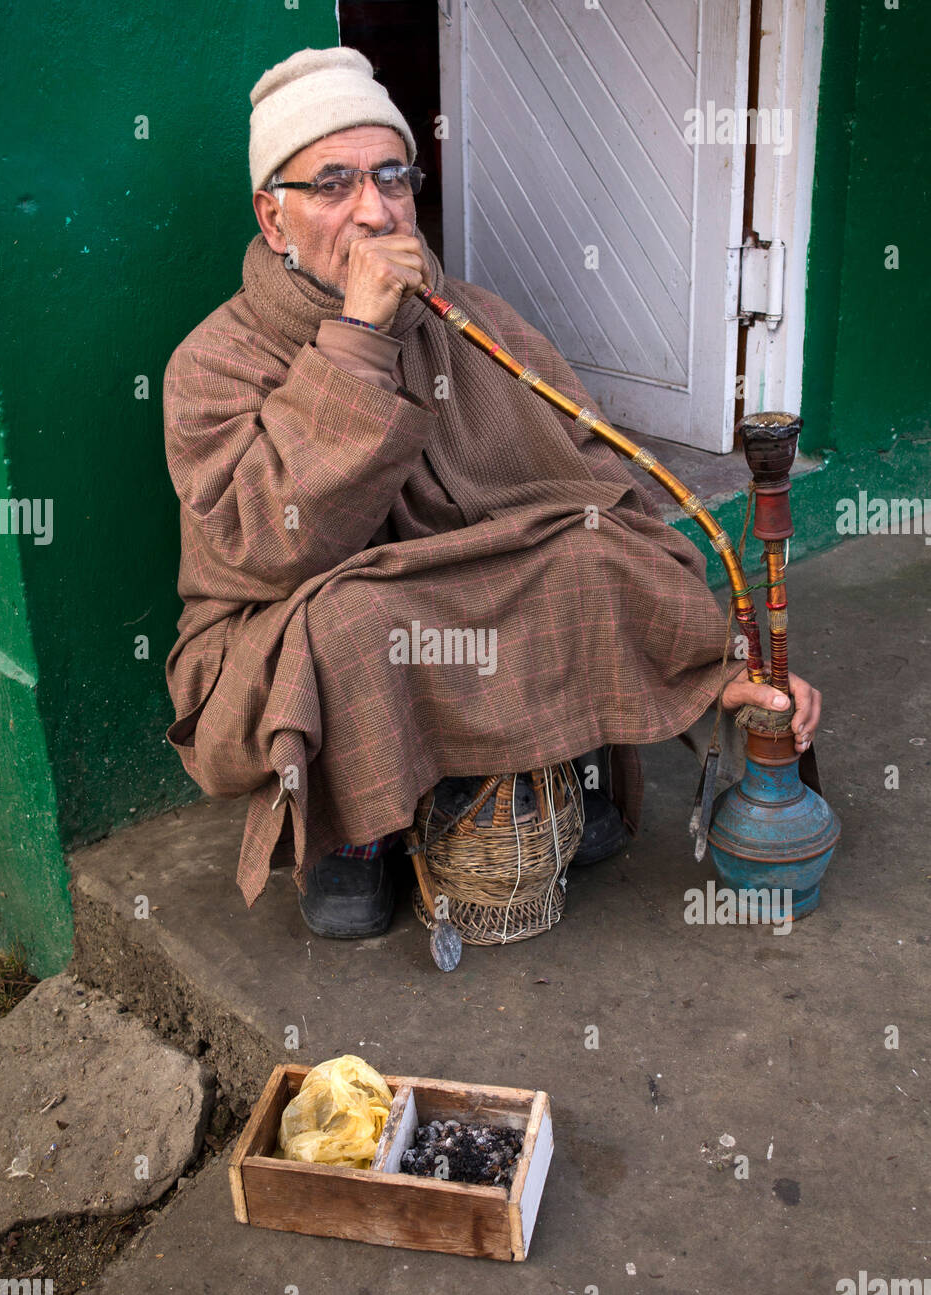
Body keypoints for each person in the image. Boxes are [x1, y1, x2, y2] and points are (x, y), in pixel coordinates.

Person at [162, 47, 821, 939]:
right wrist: (357, 342)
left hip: (469, 586)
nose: (375, 209)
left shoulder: (473, 316)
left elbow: (601, 482)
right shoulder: (212, 364)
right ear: (271, 218)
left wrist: (720, 663)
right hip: (290, 627)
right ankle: (354, 834)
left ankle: (549, 765)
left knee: (591, 546)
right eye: (334, 184)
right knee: (354, 620)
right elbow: (267, 551)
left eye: (393, 177)